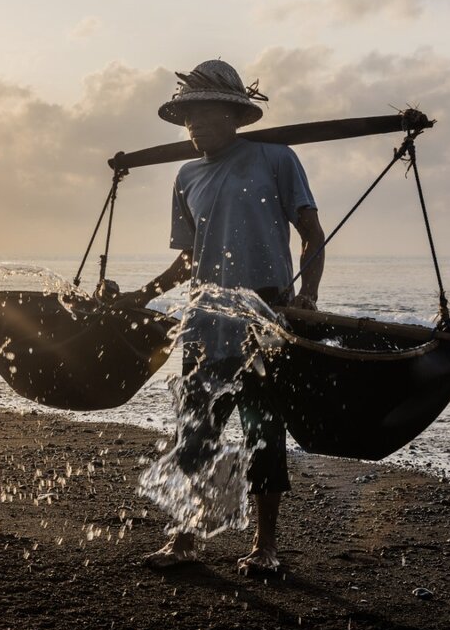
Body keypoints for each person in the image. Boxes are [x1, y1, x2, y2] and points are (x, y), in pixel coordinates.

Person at [116, 59, 325, 572]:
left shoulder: (276, 159)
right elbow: (188, 260)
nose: (192, 126)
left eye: (201, 115)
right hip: (205, 323)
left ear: (232, 116)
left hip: (263, 319)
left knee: (262, 433)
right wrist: (143, 293)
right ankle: (184, 540)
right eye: (185, 118)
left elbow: (311, 235)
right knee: (196, 432)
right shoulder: (186, 176)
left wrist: (307, 297)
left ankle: (265, 547)